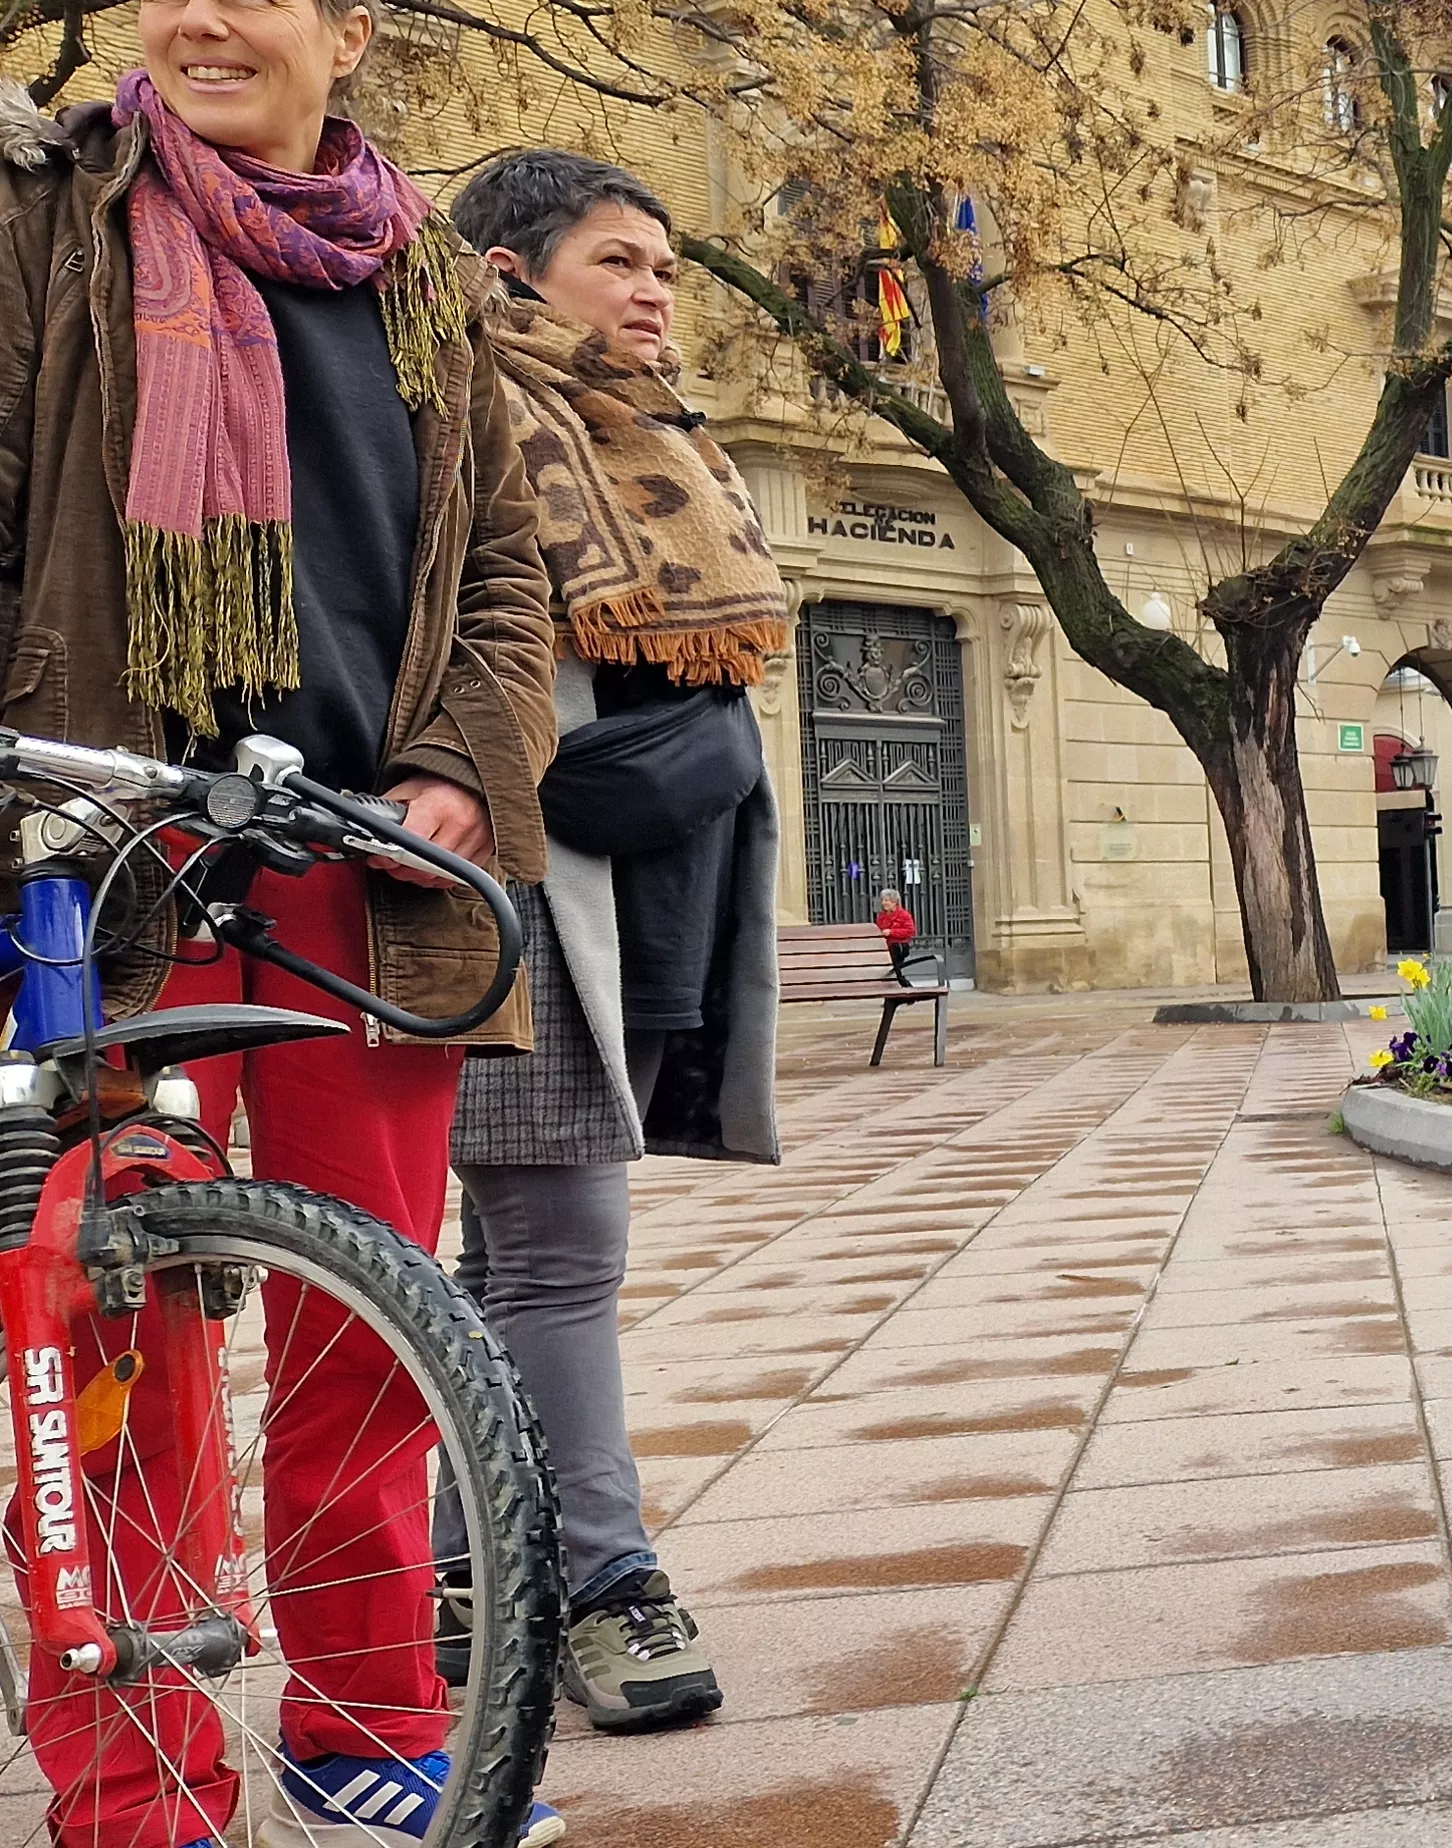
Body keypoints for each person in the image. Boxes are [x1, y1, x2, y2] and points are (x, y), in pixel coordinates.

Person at [0, 3, 561, 1840]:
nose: (198, 16)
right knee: (106, 1343)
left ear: (352, 32)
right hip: (98, 861)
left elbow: (500, 576)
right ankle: (136, 1783)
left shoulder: (430, 277)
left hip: (356, 868)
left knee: (371, 1343)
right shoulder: (47, 215)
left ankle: (363, 1727)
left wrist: (465, 765)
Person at [429, 147, 793, 1734]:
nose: (653, 296)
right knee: (561, 1260)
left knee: (511, 1261)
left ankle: (463, 1572)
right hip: (513, 885)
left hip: (642, 887)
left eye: (664, 269)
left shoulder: (655, 428)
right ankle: (604, 1583)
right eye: (617, 264)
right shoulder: (461, 410)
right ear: (508, 272)